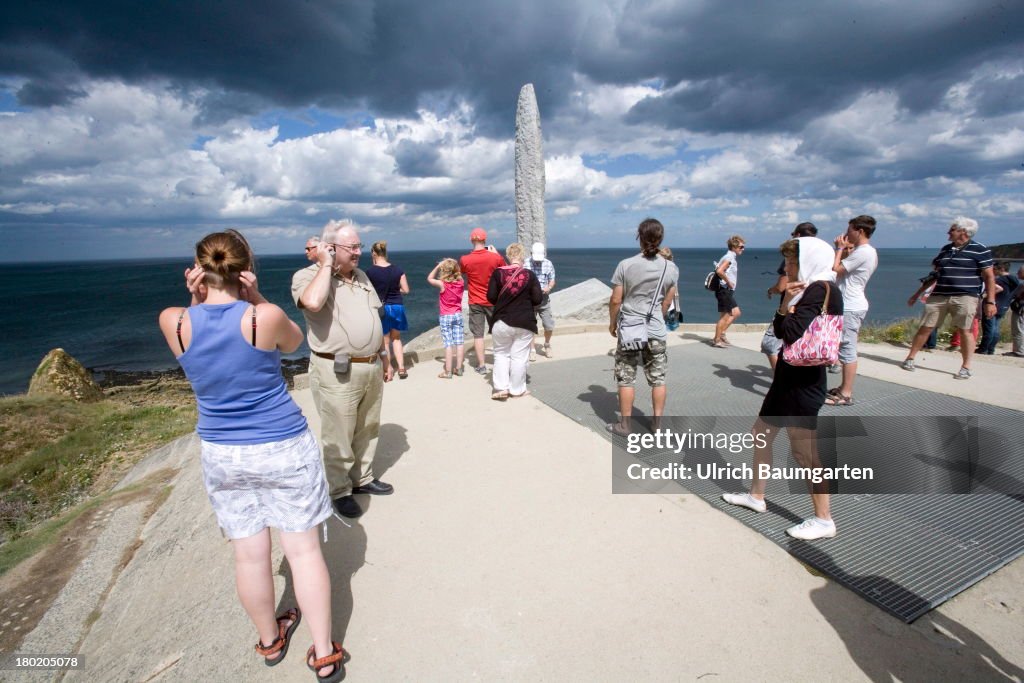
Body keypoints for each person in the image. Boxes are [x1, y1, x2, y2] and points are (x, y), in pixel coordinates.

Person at [159, 230, 344, 681]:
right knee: (303, 553)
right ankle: (323, 653)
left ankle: (269, 639)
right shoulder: (264, 316)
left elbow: (203, 340)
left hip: (223, 451)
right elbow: (294, 343)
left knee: (249, 556)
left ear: (198, 270)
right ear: (245, 268)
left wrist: (198, 301)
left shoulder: (174, 320)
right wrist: (256, 295)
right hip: (282, 444)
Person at [722, 236, 843, 540]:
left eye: (792, 262)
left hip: (804, 381)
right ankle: (756, 496)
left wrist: (786, 305)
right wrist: (786, 304)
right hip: (789, 376)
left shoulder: (818, 289)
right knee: (761, 433)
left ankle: (824, 519)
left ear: (809, 261)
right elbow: (781, 330)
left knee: (804, 453)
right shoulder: (810, 288)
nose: (788, 268)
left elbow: (788, 332)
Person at [292, 219, 394, 521]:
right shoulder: (307, 276)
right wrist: (325, 266)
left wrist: (384, 353)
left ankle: (361, 478)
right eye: (352, 247)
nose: (359, 252)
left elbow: (375, 316)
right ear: (330, 248)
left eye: (360, 246)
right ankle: (339, 490)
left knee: (367, 426)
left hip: (371, 365)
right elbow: (312, 303)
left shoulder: (361, 275)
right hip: (337, 370)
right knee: (338, 433)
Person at [607, 218, 679, 435]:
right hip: (656, 328)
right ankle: (657, 426)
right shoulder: (671, 267)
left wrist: (612, 324)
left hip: (630, 328)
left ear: (639, 236)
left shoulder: (626, 265)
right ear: (660, 238)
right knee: (658, 379)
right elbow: (667, 301)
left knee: (626, 377)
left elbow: (616, 300)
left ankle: (625, 425)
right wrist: (658, 316)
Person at [900, 217, 996, 380]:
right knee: (926, 326)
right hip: (939, 295)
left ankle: (966, 366)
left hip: (965, 296)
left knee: (964, 330)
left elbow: (989, 277)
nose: (948, 232)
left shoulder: (980, 250)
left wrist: (990, 302)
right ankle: (910, 358)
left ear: (963, 232)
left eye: (952, 229)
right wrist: (918, 294)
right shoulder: (945, 249)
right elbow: (935, 275)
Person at [825, 215, 878, 407]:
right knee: (842, 346)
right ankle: (842, 388)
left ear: (860, 231)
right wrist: (845, 251)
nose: (846, 234)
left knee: (847, 349)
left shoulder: (864, 252)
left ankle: (846, 393)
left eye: (850, 230)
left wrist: (839, 249)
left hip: (850, 306)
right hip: (848, 304)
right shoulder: (864, 252)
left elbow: (835, 269)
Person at [487, 243, 542, 400]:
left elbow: (490, 297)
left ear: (508, 256)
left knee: (501, 354)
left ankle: (501, 388)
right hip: (524, 321)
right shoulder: (529, 275)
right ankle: (517, 390)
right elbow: (538, 299)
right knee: (519, 357)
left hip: (502, 320)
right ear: (523, 256)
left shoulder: (498, 273)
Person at [762, 223, 818, 371]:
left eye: (793, 234)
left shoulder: (792, 256)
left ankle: (780, 379)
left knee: (769, 344)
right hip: (811, 307)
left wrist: (770, 290)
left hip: (789, 307)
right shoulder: (817, 259)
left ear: (798, 235)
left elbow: (781, 287)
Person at [459, 228, 506, 374]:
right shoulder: (495, 258)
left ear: (471, 240)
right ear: (485, 240)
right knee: (498, 332)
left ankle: (481, 365)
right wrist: (496, 254)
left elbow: (459, 275)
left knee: (478, 334)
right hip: (493, 300)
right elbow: (506, 270)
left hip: (475, 301)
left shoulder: (465, 259)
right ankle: (501, 361)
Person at [365, 240, 410, 379]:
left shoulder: (370, 272)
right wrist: (396, 291)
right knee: (396, 338)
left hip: (381, 309)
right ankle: (402, 368)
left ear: (373, 253)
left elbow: (367, 292)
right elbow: (406, 290)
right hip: (397, 306)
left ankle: (388, 369)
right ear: (385, 252)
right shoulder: (398, 270)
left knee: (385, 342)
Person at [427, 258, 466, 378]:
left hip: (446, 316)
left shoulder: (442, 284)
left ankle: (448, 371)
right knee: (459, 343)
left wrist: (438, 266)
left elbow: (429, 278)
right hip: (458, 315)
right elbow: (458, 272)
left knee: (448, 344)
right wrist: (453, 262)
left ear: (444, 271)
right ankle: (458, 368)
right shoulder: (461, 282)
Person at [524, 242, 557, 360]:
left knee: (549, 325)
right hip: (529, 300)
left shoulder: (548, 264)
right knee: (531, 326)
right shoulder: (526, 263)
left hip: (544, 300)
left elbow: (552, 279)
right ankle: (532, 349)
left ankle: (547, 344)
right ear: (531, 253)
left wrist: (549, 287)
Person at [977, 262, 1018, 355]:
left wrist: (984, 296)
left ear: (1001, 269)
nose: (993, 271)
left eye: (994, 269)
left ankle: (984, 348)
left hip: (993, 305)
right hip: (1004, 306)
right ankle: (991, 349)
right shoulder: (1014, 280)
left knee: (989, 328)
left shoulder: (1000, 280)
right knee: (995, 328)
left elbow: (999, 288)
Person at [712, 235, 745, 348]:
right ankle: (717, 340)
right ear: (734, 247)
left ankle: (721, 334)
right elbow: (720, 271)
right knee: (725, 316)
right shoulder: (729, 257)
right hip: (724, 290)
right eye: (741, 247)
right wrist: (729, 282)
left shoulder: (730, 257)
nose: (743, 249)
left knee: (736, 313)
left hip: (727, 291)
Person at [658, 247, 682, 331]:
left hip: (661, 300)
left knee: (660, 325)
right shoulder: (674, 268)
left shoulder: (658, 268)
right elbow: (675, 287)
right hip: (671, 301)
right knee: (668, 326)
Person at [1005, 265, 1024, 357]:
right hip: (1020, 307)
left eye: (1019, 271)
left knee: (1018, 328)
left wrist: (1018, 297)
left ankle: (1019, 351)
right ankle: (1018, 349)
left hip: (1020, 309)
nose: (1017, 273)